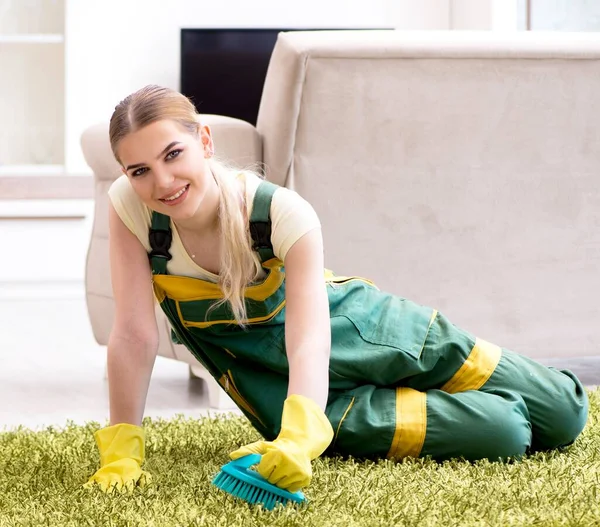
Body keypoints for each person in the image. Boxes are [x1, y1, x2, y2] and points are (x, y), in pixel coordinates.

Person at [85, 84, 589, 494]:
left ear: (206, 142)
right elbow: (133, 334)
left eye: (174, 154)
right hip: (296, 391)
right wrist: (123, 449)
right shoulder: (131, 209)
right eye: (140, 171)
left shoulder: (283, 212)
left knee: (565, 413)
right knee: (506, 432)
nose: (163, 181)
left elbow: (309, 338)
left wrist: (301, 432)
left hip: (368, 332)